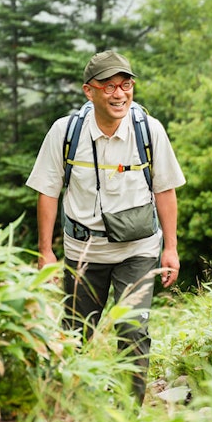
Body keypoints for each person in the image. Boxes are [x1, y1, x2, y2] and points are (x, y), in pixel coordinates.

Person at [26, 50, 185, 403]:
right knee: (76, 333)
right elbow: (47, 192)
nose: (120, 94)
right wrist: (45, 251)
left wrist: (170, 248)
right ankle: (71, 406)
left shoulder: (148, 130)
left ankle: (128, 413)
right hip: (83, 250)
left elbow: (166, 189)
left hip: (138, 250)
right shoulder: (65, 132)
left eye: (126, 85)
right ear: (89, 91)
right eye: (109, 86)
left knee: (132, 328)